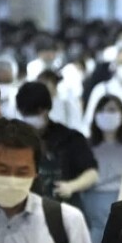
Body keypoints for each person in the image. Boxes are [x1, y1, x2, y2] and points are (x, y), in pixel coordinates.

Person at [16, 81, 99, 212]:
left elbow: (92, 173)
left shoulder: (70, 138)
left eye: (37, 112)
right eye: (28, 113)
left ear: (47, 109)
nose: (33, 118)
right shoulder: (13, 140)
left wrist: (72, 186)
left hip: (64, 208)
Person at [84, 94, 122, 243]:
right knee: (97, 238)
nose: (107, 114)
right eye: (102, 110)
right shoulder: (86, 145)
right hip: (93, 197)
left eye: (112, 110)